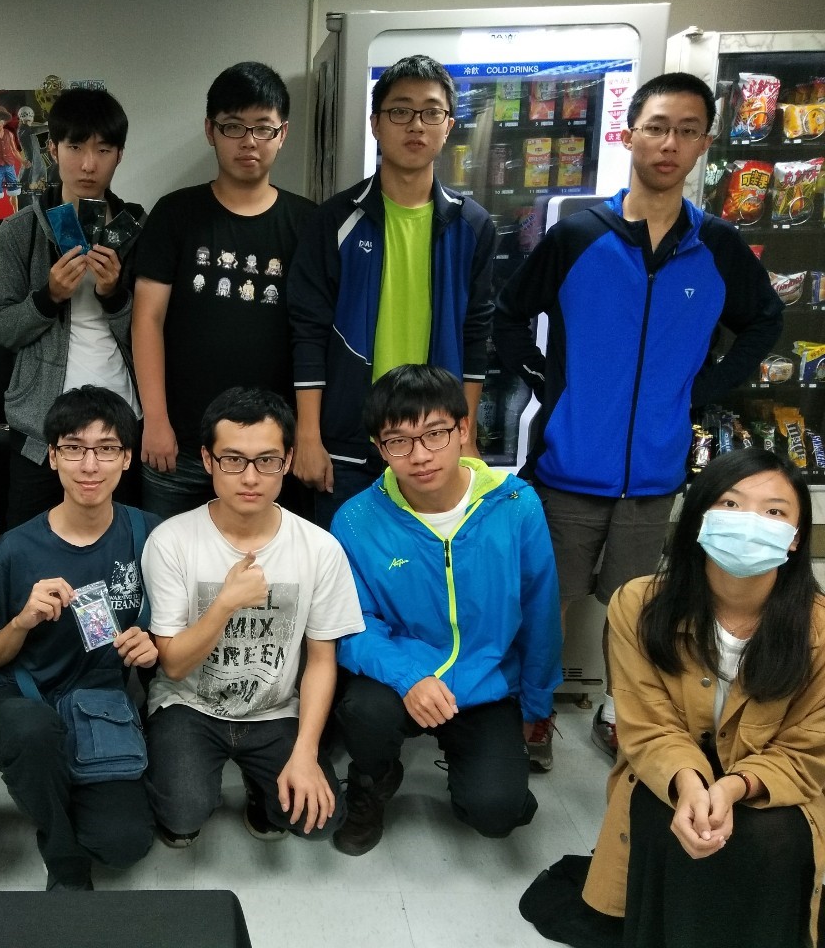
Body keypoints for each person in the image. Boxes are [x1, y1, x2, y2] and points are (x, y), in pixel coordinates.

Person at [493, 72, 783, 760]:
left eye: (686, 131)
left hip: (654, 473)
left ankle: (621, 712)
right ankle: (533, 713)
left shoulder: (717, 247)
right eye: (656, 127)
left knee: (638, 608)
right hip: (568, 465)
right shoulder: (577, 236)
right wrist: (545, 381)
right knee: (546, 603)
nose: (669, 143)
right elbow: (507, 315)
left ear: (704, 144)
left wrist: (700, 389)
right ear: (630, 135)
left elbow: (765, 320)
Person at [576, 448, 825, 948]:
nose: (749, 522)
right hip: (671, 767)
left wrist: (735, 786)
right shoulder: (638, 605)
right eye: (730, 504)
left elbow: (808, 748)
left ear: (796, 537)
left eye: (774, 511)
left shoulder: (818, 628)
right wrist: (690, 783)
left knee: (770, 836)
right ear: (699, 518)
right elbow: (647, 726)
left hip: (771, 775)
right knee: (665, 820)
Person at [330, 364, 561, 855]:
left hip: (487, 681)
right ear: (379, 448)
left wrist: (536, 706)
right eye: (398, 441)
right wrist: (409, 677)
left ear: (462, 430)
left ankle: (475, 770)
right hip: (400, 678)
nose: (419, 455)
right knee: (362, 709)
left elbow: (540, 614)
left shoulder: (516, 506)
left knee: (497, 812)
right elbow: (352, 624)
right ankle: (372, 780)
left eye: (435, 434)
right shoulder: (356, 519)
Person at [142, 387, 362, 847]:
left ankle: (262, 791)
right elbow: (174, 665)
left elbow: (322, 661)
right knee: (182, 813)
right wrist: (225, 602)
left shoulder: (320, 548)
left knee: (319, 821)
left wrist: (306, 753)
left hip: (274, 709)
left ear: (287, 460)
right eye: (232, 460)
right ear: (207, 460)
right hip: (188, 704)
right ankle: (183, 780)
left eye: (266, 460)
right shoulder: (171, 540)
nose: (250, 477)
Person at [289, 54, 496, 529]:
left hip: (435, 441)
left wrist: (465, 436)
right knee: (343, 568)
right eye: (400, 111)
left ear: (449, 126)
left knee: (428, 565)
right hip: (347, 443)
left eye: (431, 112)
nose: (416, 125)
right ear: (376, 124)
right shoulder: (335, 219)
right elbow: (308, 330)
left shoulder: (473, 226)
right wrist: (309, 435)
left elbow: (475, 334)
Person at [0, 386, 158, 891]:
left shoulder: (149, 536)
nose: (89, 465)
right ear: (52, 457)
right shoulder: (14, 550)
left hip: (98, 703)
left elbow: (171, 631)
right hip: (17, 697)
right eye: (74, 448)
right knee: (33, 734)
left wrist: (153, 646)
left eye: (107, 448)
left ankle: (62, 782)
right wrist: (23, 620)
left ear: (127, 458)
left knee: (124, 843)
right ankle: (64, 859)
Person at [132, 62, 316, 519]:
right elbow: (147, 319)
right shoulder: (175, 214)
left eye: (262, 127)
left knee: (264, 564)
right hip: (181, 445)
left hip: (270, 454)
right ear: (210, 130)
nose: (248, 141)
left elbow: (313, 335)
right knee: (168, 559)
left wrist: (307, 435)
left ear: (283, 133)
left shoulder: (307, 223)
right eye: (233, 126)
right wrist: (156, 420)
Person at [0, 87, 144, 529]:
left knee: (120, 542)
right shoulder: (21, 231)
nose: (89, 164)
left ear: (119, 155)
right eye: (75, 147)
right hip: (41, 427)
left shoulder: (138, 230)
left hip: (121, 420)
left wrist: (114, 296)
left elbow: (155, 334)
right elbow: (0, 327)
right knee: (31, 542)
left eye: (103, 149)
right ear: (53, 150)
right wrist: (48, 296)